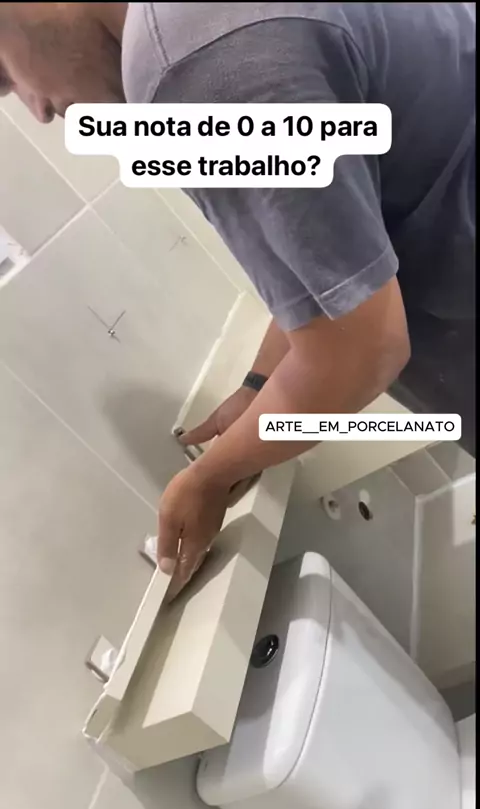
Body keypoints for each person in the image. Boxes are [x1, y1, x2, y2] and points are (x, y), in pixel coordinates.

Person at [0, 3, 475, 593]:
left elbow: (365, 349)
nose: (37, 109)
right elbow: (335, 262)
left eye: (4, 73)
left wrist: (208, 480)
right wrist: (257, 386)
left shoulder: (190, 68)